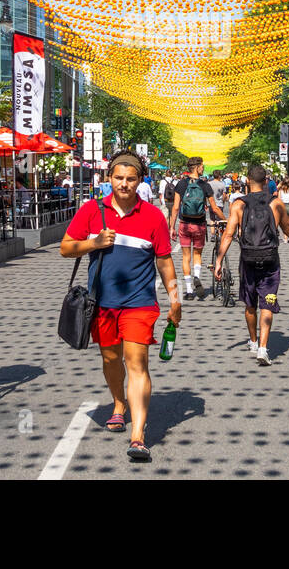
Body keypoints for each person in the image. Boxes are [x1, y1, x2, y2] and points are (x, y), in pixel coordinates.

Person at [61, 149, 180, 462]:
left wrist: (174, 297)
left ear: (140, 181)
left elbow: (165, 261)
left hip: (140, 303)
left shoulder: (153, 216)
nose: (124, 184)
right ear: (108, 178)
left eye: (130, 179)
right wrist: (94, 243)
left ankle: (138, 436)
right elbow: (65, 248)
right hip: (102, 302)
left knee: (136, 361)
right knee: (111, 358)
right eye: (119, 178)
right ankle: (118, 403)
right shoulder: (90, 211)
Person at [215, 163, 284, 366]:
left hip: (247, 260)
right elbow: (288, 228)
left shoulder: (238, 205)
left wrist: (219, 260)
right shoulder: (276, 203)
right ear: (266, 182)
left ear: (247, 181)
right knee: (268, 302)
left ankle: (253, 341)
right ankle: (263, 348)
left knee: (250, 304)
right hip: (270, 259)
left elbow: (228, 235)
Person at [167, 156, 224, 300]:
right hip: (199, 225)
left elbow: (175, 208)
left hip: (184, 224)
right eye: (202, 166)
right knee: (197, 255)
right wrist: (225, 220)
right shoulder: (205, 185)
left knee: (186, 257)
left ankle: (189, 291)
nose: (203, 168)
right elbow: (214, 207)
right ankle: (197, 276)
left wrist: (172, 227)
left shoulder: (181, 184)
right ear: (197, 167)